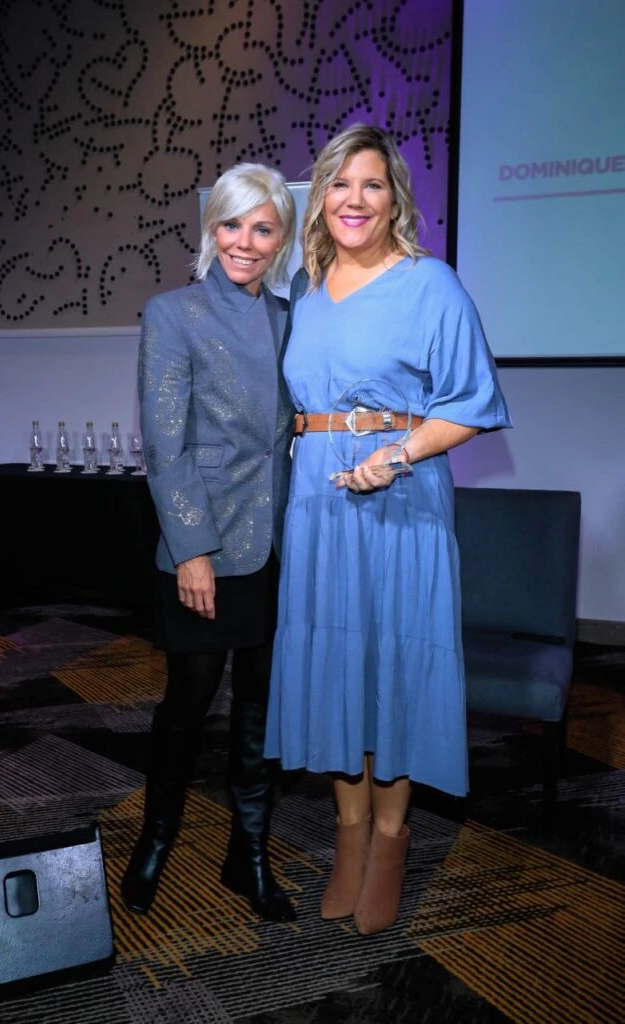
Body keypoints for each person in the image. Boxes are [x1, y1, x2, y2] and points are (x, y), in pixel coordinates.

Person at [264, 124, 512, 935]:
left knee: (396, 668)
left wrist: (395, 455)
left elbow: (470, 406)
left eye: (372, 185)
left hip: (400, 503)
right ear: (321, 197)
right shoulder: (305, 288)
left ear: (394, 197)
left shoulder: (429, 284)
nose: (355, 200)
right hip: (318, 505)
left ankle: (391, 843)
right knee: (336, 663)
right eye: (340, 184)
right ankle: (348, 839)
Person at [122, 163, 297, 923]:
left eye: (263, 228)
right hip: (204, 542)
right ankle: (156, 837)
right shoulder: (173, 313)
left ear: (283, 237)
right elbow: (165, 443)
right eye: (232, 225)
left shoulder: (294, 317)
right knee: (188, 701)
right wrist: (191, 548)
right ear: (210, 229)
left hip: (278, 539)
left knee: (260, 707)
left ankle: (246, 854)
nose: (246, 243)